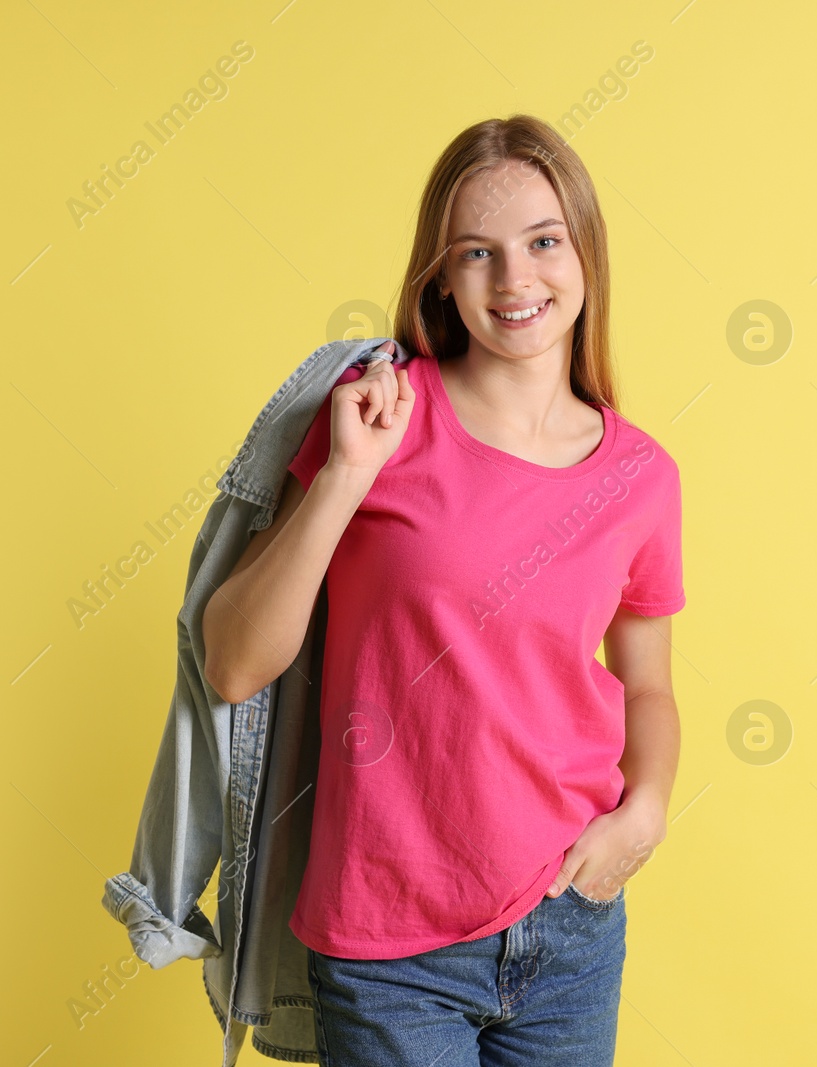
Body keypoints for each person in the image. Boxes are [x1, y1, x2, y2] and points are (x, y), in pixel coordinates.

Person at [201, 114, 686, 1066]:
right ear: (441, 276)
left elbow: (649, 686)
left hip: (571, 929)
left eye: (544, 242)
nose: (515, 281)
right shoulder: (380, 419)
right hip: (393, 948)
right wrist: (345, 475)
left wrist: (648, 809)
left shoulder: (643, 475)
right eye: (478, 253)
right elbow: (231, 663)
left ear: (585, 252)